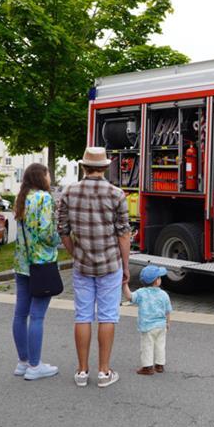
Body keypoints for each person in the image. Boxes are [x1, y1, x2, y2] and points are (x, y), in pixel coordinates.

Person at [58, 147, 131, 388]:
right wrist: (126, 266)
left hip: (82, 264)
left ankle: (81, 371)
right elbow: (123, 233)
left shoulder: (69, 192)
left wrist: (75, 252)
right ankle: (103, 371)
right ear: (105, 167)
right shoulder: (117, 194)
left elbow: (63, 229)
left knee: (83, 316)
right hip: (110, 263)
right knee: (108, 316)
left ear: (84, 167)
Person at [12, 163, 61, 380]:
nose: (50, 177)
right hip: (41, 262)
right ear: (42, 177)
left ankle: (23, 362)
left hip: (22, 263)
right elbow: (46, 232)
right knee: (38, 316)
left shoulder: (20, 197)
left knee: (20, 314)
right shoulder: (44, 198)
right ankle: (35, 366)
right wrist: (60, 240)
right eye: (48, 174)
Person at [123, 265, 172, 375]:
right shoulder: (164, 294)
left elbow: (129, 297)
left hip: (147, 326)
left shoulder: (141, 293)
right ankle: (159, 365)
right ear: (156, 281)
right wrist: (168, 322)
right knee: (160, 345)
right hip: (161, 325)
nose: (160, 279)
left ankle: (148, 367)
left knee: (147, 346)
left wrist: (125, 284)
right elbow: (168, 310)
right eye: (159, 277)